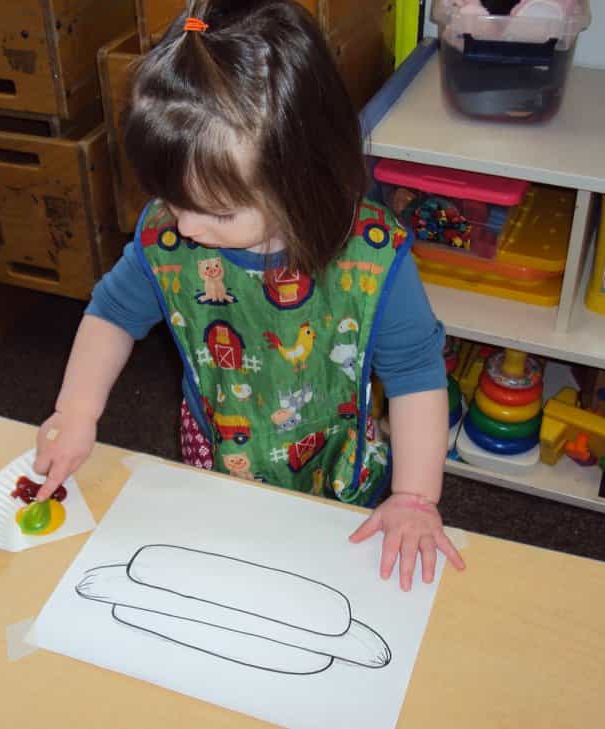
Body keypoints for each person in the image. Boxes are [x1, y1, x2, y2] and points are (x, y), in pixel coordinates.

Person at [33, 0, 465, 590]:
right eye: (173, 199)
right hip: (218, 462)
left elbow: (415, 374)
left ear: (300, 180)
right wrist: (77, 411)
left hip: (335, 471)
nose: (185, 227)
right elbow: (112, 314)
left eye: (216, 212)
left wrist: (415, 498)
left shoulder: (370, 256)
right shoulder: (173, 235)